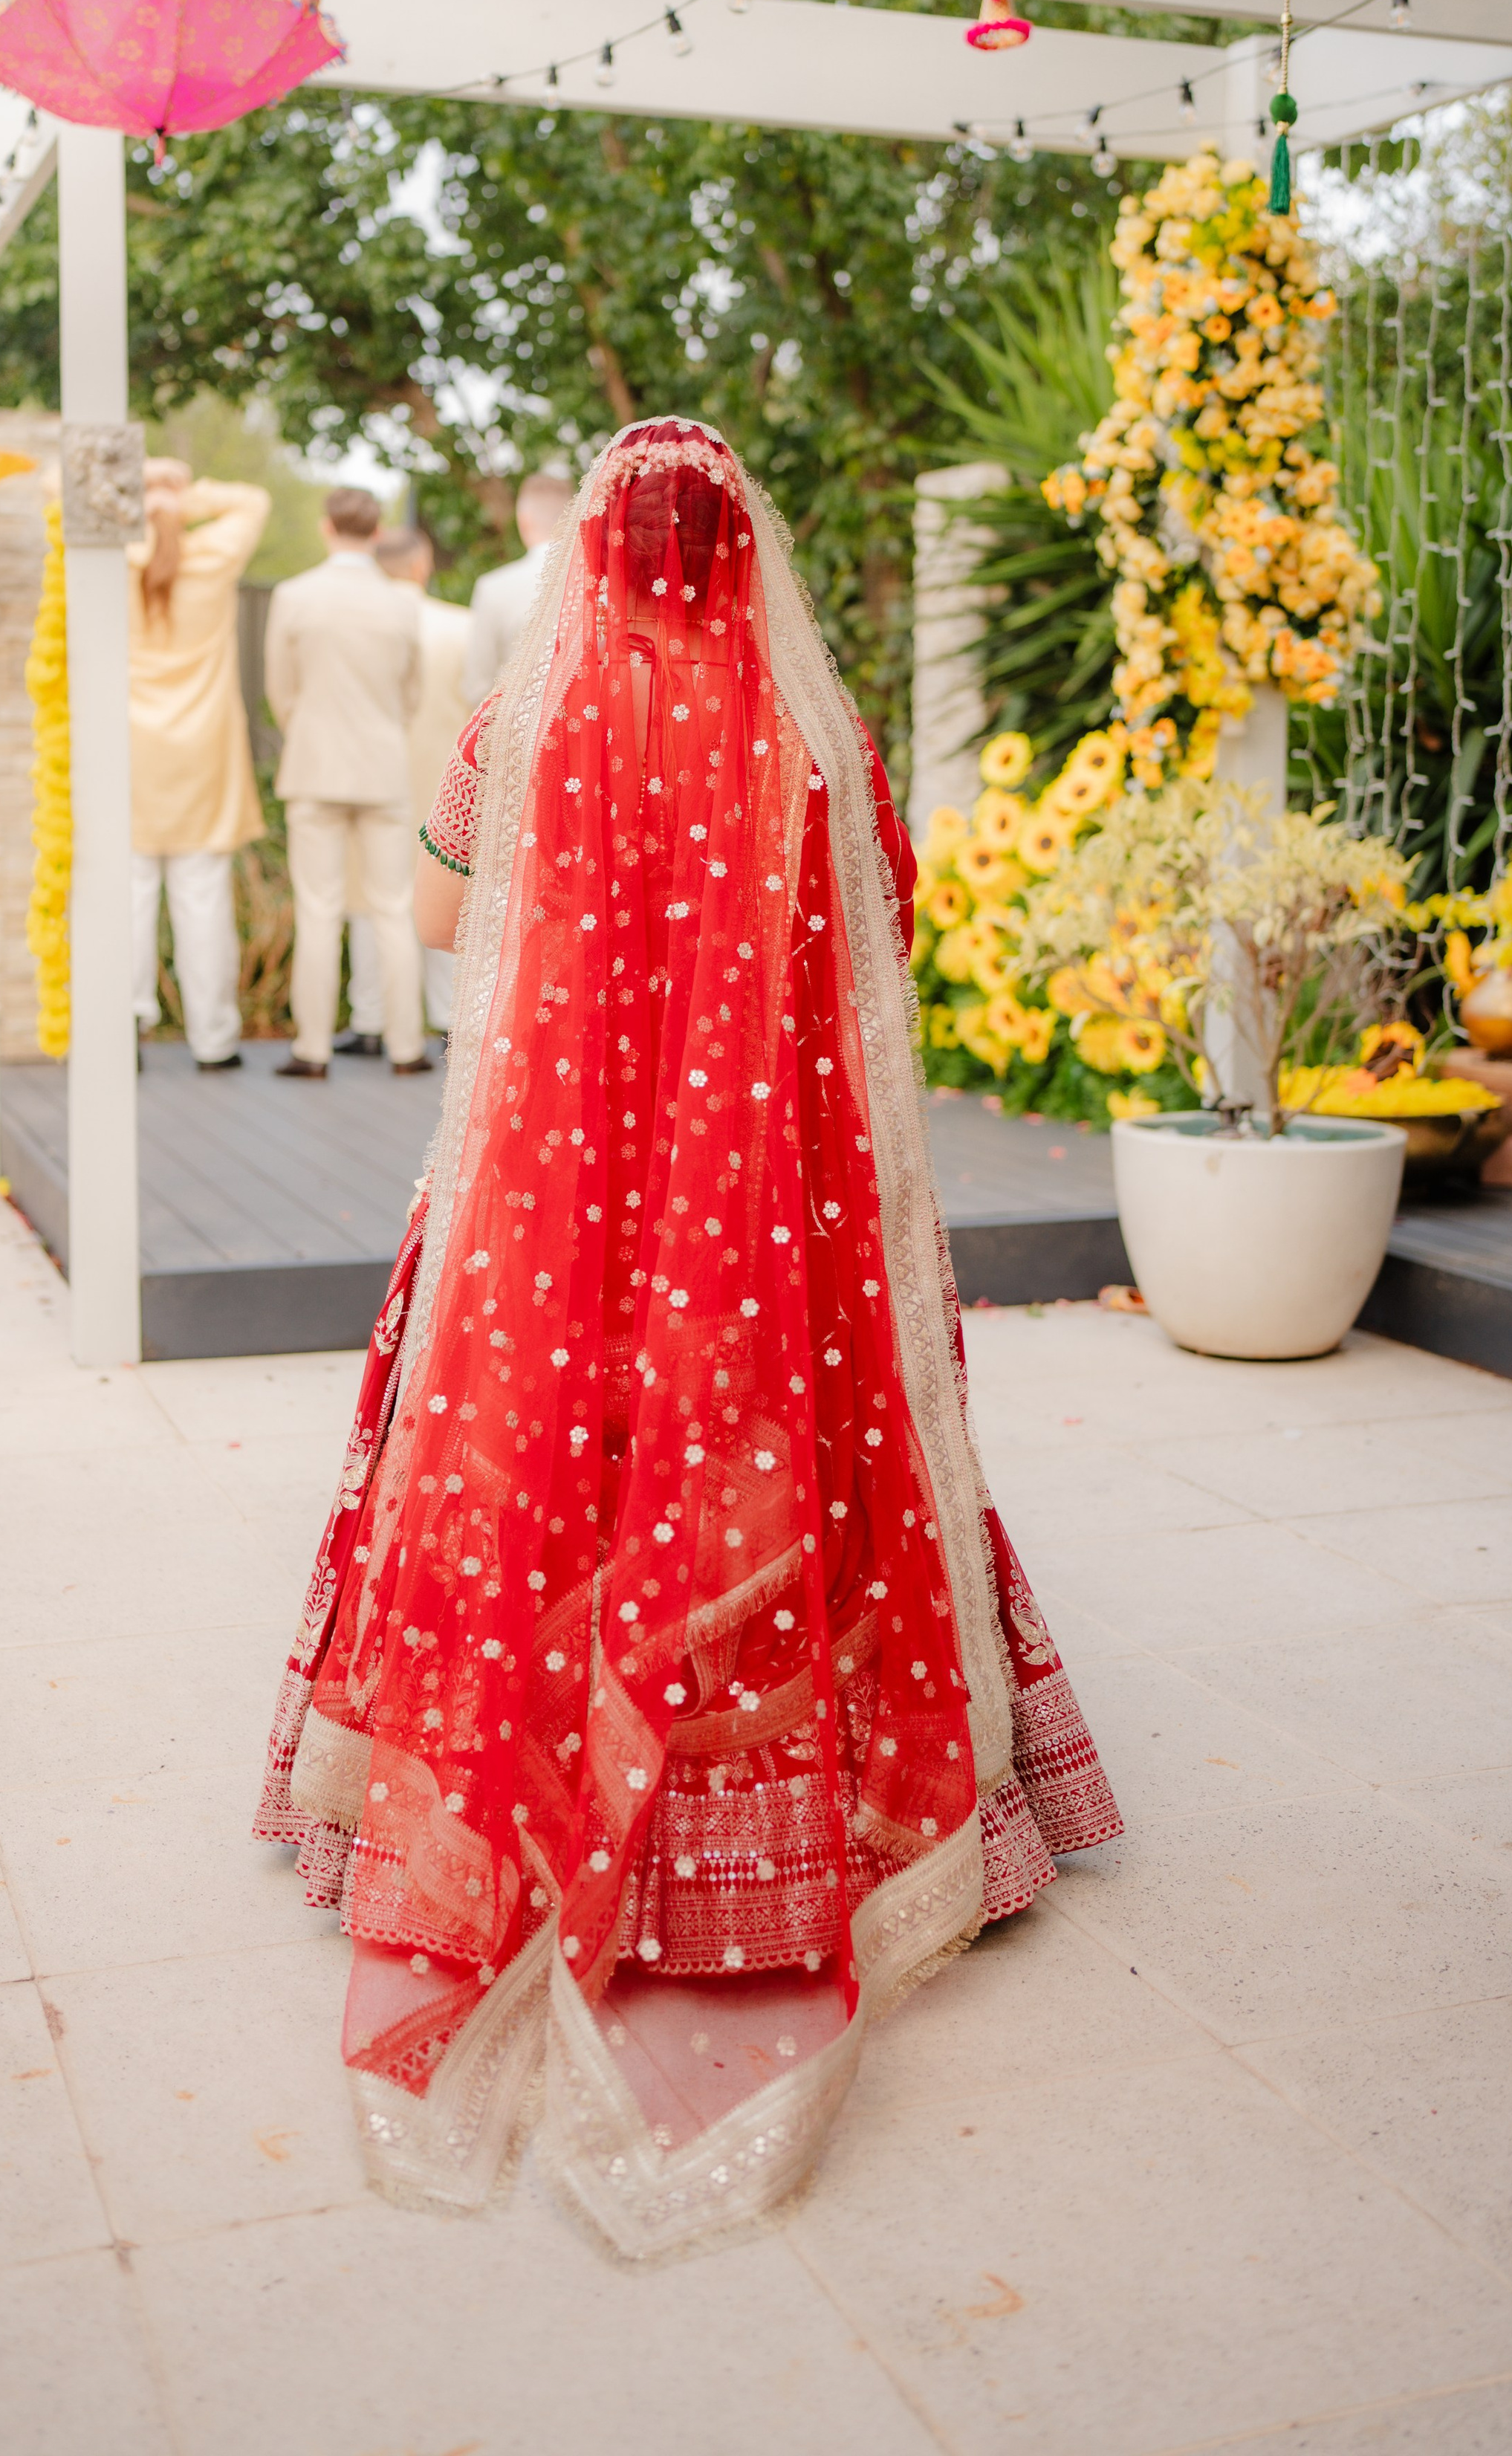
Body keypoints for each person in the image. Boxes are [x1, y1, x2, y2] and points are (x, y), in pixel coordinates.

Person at [253, 419, 1120, 2258]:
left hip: (545, 1222)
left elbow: (429, 917)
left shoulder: (521, 725)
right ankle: (760, 1836)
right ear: (746, 557)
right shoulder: (812, 734)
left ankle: (508, 1805)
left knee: (519, 1480)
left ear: (587, 553)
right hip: (760, 1231)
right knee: (761, 1483)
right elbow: (885, 943)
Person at [265, 487, 428, 1081]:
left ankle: (312, 1049)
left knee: (318, 910)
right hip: (383, 767)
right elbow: (412, 692)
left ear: (325, 527)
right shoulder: (401, 604)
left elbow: (281, 688)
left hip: (315, 767)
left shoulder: (294, 596)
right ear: (378, 531)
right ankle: (407, 1047)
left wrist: (306, 732)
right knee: (392, 909)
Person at [129, 458, 270, 1071]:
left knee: (129, 897)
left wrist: (142, 482)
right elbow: (253, 501)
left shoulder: (115, 558)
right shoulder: (211, 556)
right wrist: (184, 493)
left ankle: (124, 1026)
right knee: (203, 900)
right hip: (203, 757)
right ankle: (213, 1041)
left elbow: (56, 486)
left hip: (129, 753)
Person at [336, 523, 468, 1052]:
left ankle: (372, 1018)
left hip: (371, 779)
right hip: (443, 784)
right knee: (445, 893)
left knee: (371, 896)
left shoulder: (352, 626)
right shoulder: (463, 626)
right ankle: (450, 1016)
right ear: (422, 564)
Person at [460, 468, 570, 706]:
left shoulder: (493, 588)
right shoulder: (602, 584)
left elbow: (477, 687)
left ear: (524, 520)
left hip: (514, 736)